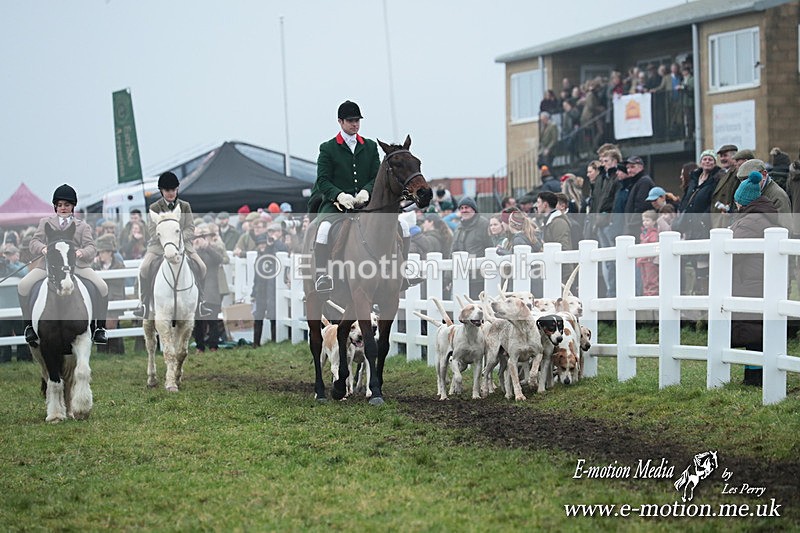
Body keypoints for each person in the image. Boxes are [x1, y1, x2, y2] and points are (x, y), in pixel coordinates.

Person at [16, 184, 109, 345]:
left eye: (66, 205)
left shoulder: (82, 226)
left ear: (72, 206)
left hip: (77, 266)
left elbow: (91, 247)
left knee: (102, 287)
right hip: (49, 266)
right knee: (23, 286)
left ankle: (98, 328)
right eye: (59, 205)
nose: (63, 208)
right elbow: (34, 242)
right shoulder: (46, 222)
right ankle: (29, 327)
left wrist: (81, 252)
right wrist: (43, 248)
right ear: (55, 207)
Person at [308, 100, 379, 293]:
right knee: (323, 230)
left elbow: (376, 176)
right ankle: (322, 275)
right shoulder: (328, 148)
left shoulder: (371, 146)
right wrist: (339, 195)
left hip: (365, 205)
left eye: (357, 120)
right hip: (336, 206)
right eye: (350, 120)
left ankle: (401, 271)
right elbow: (322, 180)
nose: (355, 124)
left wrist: (366, 191)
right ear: (340, 122)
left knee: (398, 226)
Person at [133, 171, 212, 318]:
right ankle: (143, 303)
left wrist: (178, 237)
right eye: (168, 190)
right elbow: (152, 230)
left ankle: (201, 301)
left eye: (174, 190)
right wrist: (167, 238)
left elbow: (190, 227)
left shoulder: (185, 206)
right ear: (162, 191)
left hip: (183, 245)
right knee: (144, 268)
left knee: (202, 266)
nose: (171, 193)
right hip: (159, 245)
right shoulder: (154, 208)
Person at [729, 171, 781, 386]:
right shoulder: (765, 216)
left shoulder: (750, 221)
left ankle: (754, 378)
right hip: (760, 278)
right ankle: (755, 374)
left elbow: (732, 250)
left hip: (750, 279)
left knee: (752, 331)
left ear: (743, 202)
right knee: (757, 331)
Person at [192, 225, 228, 352]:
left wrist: (206, 247)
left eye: (201, 237)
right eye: (195, 237)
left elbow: (219, 259)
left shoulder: (213, 248)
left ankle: (213, 345)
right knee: (198, 321)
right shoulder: (191, 252)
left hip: (212, 288)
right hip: (197, 290)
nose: (198, 240)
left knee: (212, 319)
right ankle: (199, 346)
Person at [251, 225, 288, 347]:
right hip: (261, 291)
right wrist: (253, 293)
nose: (262, 246)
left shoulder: (272, 254)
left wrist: (273, 241)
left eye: (263, 244)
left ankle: (273, 341)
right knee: (258, 317)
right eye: (260, 244)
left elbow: (284, 249)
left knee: (273, 316)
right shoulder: (258, 258)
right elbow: (256, 278)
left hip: (271, 290)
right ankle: (256, 343)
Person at [450, 197, 493, 297]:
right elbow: (452, 252)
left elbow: (490, 247)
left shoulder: (484, 224)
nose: (464, 210)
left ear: (474, 209)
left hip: (478, 278)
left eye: (467, 207)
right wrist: (448, 278)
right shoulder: (458, 227)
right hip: (460, 276)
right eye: (461, 208)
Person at [93, 233, 126, 354]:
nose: (100, 255)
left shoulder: (118, 264)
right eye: (99, 252)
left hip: (114, 298)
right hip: (100, 300)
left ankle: (115, 351)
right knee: (100, 325)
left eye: (102, 252)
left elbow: (119, 280)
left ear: (110, 252)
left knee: (111, 325)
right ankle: (102, 351)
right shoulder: (96, 265)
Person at [0, 245, 30, 362]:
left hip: (18, 304)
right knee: (4, 332)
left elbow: (24, 273)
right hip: (3, 305)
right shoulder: (2, 266)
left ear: (17, 255)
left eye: (11, 254)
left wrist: (10, 265)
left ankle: (23, 357)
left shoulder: (21, 266)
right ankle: (4, 358)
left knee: (21, 331)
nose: (9, 256)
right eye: (7, 254)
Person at [636, 210, 659, 296]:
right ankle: (646, 296)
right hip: (643, 261)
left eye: (647, 220)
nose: (645, 223)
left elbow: (653, 245)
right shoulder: (643, 234)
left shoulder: (653, 233)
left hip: (650, 261)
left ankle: (652, 297)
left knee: (651, 280)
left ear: (654, 222)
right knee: (644, 280)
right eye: (643, 220)